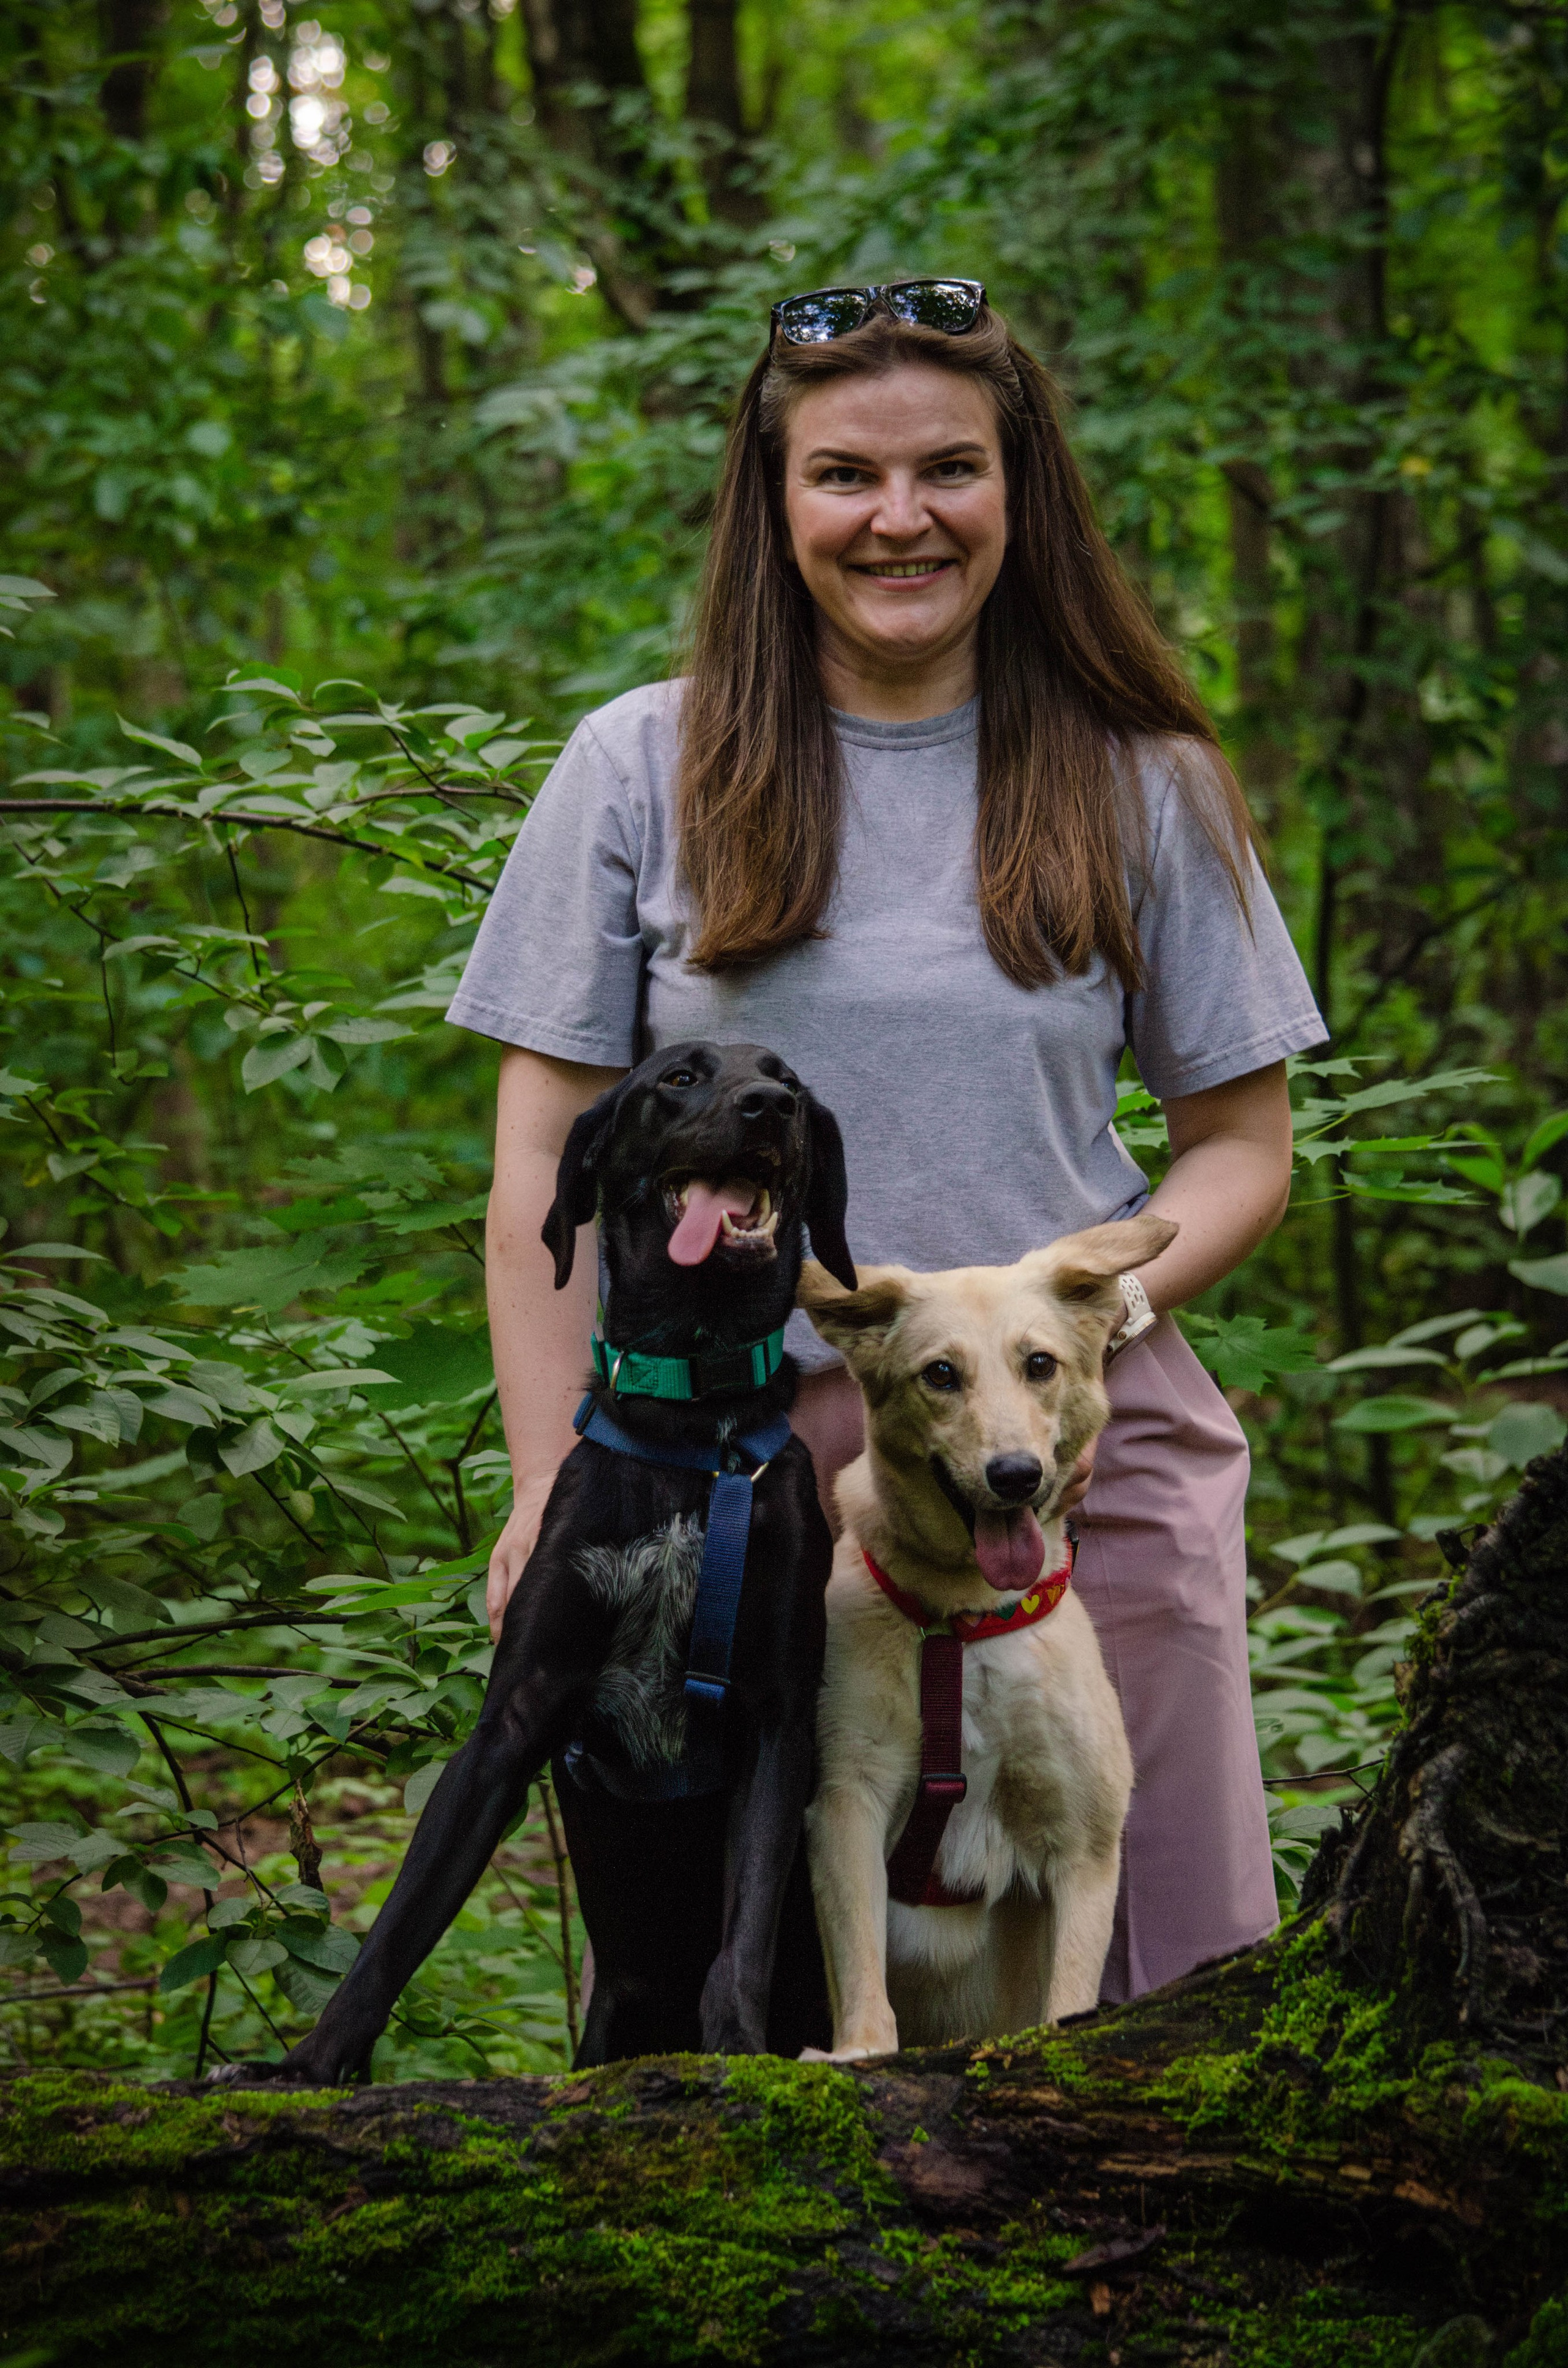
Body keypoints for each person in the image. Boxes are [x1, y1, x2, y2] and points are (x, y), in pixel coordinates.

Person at [447, 278, 1325, 2002]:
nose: (901, 517)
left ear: (1022, 489)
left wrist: (1094, 1323)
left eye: (951, 470)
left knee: (1165, 2007)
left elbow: (1243, 1145)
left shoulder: (1145, 778)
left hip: (1068, 1466)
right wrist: (555, 1482)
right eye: (846, 473)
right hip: (738, 1482)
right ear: (773, 502)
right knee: (742, 2004)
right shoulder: (639, 767)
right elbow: (535, 1177)